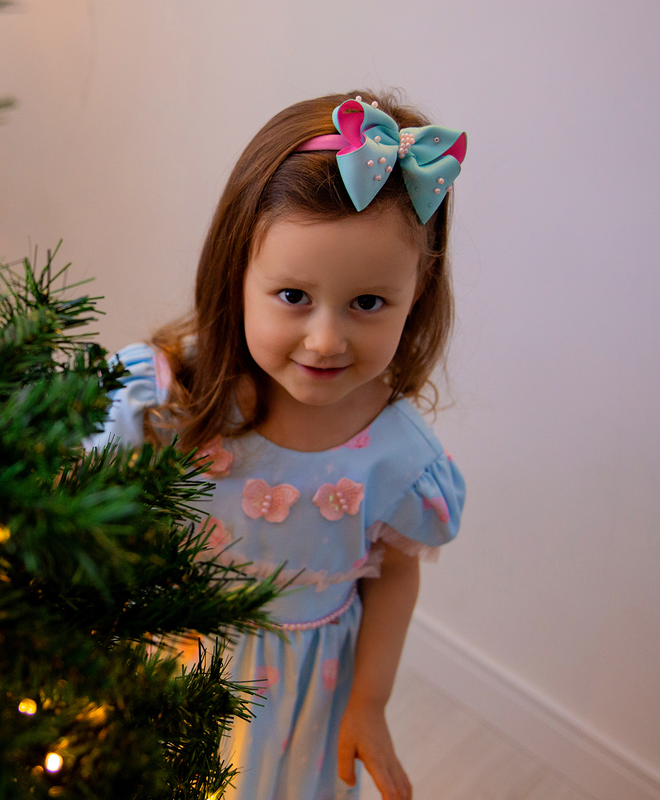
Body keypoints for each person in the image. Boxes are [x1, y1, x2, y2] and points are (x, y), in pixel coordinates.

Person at [86, 91, 468, 800]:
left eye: (368, 303)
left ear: (416, 294)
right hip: (171, 655)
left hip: (302, 701)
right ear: (237, 276)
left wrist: (370, 705)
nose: (325, 340)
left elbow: (393, 577)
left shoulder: (399, 460)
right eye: (293, 296)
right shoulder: (175, 397)